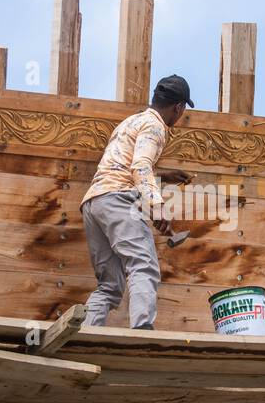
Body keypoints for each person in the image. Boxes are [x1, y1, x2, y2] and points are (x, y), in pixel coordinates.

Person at [80, 74, 193, 329]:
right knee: (143, 265)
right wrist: (157, 206)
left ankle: (85, 332)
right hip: (119, 199)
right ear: (179, 107)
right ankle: (142, 329)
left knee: (109, 286)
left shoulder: (130, 122)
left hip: (94, 202)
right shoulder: (155, 127)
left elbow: (125, 165)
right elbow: (140, 166)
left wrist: (163, 176)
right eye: (182, 111)